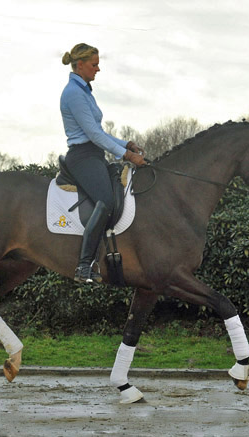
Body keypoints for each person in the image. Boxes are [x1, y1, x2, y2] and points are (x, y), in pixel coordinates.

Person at [60, 43, 146, 283]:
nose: (98, 69)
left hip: (94, 154)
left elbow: (99, 132)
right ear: (80, 66)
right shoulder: (74, 93)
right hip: (83, 157)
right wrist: (126, 155)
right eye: (94, 65)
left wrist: (125, 143)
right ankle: (84, 266)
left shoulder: (84, 91)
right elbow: (94, 135)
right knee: (106, 200)